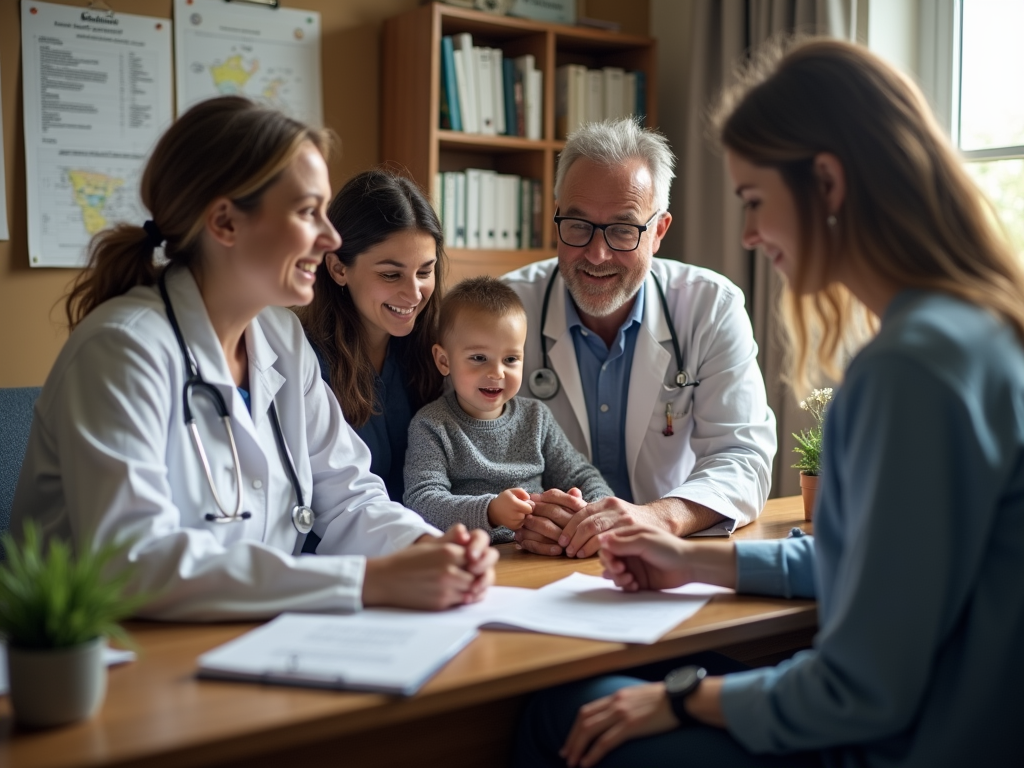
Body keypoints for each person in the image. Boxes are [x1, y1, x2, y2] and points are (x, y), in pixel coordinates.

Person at [514, 38, 1024, 768]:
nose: (749, 234)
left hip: (893, 745)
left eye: (754, 200)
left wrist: (681, 699)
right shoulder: (979, 332)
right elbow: (870, 567)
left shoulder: (909, 370)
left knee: (567, 713)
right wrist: (692, 564)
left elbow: (861, 690)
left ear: (827, 183)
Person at [11, 97, 497, 621]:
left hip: (245, 635)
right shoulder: (122, 350)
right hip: (109, 654)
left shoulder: (280, 336)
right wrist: (365, 580)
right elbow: (133, 561)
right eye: (309, 212)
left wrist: (429, 549)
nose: (330, 238)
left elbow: (350, 496)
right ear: (225, 222)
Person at [503, 119, 777, 558]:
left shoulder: (711, 306)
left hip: (669, 556)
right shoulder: (506, 308)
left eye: (623, 229)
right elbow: (464, 445)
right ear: (554, 215)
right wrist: (529, 512)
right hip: (546, 559)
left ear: (660, 230)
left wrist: (656, 517)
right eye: (577, 224)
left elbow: (742, 457)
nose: (597, 254)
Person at [404, 277, 613, 543]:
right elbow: (421, 502)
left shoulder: (536, 418)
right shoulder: (431, 425)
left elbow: (582, 475)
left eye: (511, 359)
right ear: (444, 361)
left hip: (541, 552)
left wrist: (593, 512)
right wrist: (491, 511)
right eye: (479, 358)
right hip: (474, 556)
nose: (497, 372)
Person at [298, 168, 444, 504]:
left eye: (424, 271)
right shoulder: (305, 362)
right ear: (337, 268)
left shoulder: (435, 352)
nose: (414, 294)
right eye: (391, 275)